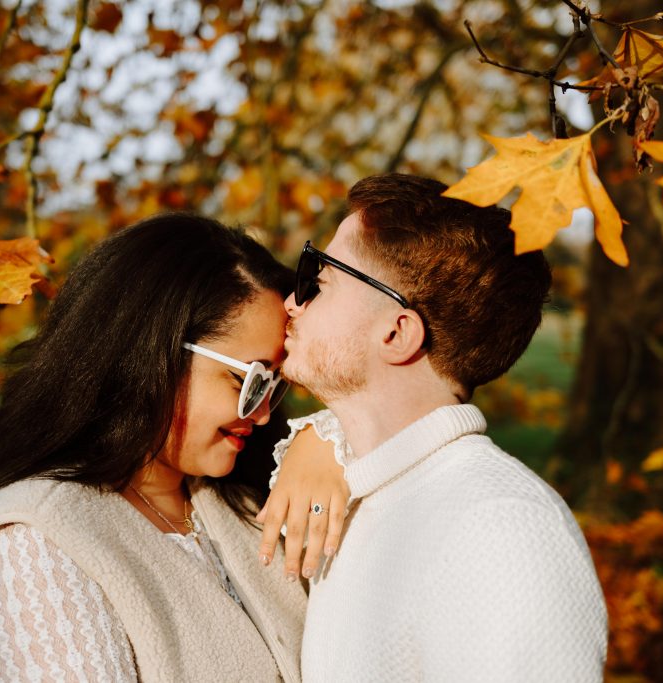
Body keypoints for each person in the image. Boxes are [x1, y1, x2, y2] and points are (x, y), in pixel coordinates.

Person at [0, 213, 306, 682]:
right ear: (150, 351)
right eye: (249, 381)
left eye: (275, 386)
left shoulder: (245, 501)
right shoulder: (32, 547)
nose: (263, 414)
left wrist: (324, 442)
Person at [260, 173, 608, 681]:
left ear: (398, 333)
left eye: (321, 277)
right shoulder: (353, 494)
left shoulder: (502, 529)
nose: (293, 302)